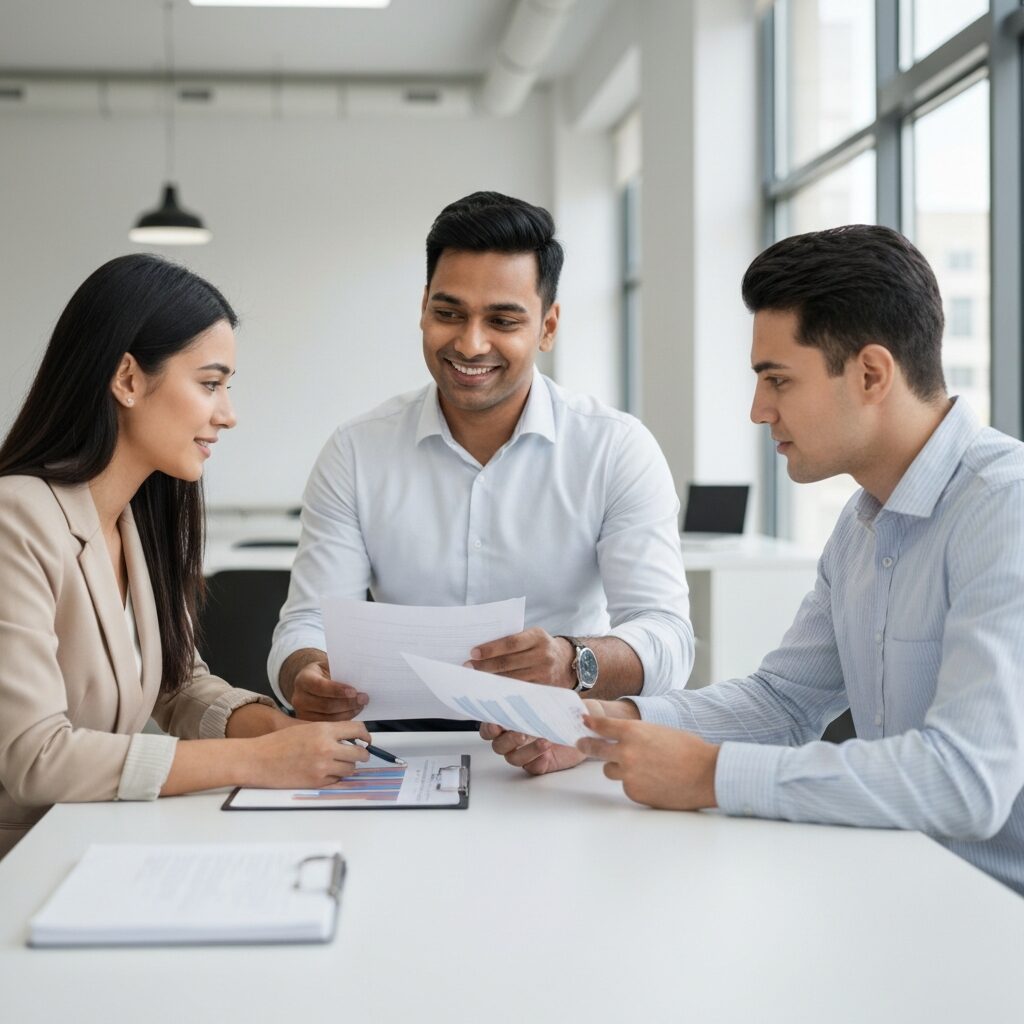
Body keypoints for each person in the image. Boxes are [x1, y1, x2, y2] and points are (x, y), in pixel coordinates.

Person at [486, 225, 1024, 896]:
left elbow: (966, 783)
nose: (758, 410)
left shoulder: (1005, 510)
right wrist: (606, 726)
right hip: (901, 881)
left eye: (778, 380)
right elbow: (784, 702)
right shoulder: (861, 525)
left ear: (871, 374)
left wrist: (710, 775)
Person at [269, 191, 693, 724]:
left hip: (557, 738)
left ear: (548, 327)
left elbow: (668, 637)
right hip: (394, 744)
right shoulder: (356, 450)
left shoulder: (615, 448)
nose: (470, 345)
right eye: (449, 313)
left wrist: (572, 661)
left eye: (503, 321)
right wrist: (304, 672)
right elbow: (308, 623)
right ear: (423, 308)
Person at [0, 254, 372, 858]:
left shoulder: (137, 522)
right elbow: (36, 757)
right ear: (127, 379)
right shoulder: (16, 517)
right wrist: (257, 759)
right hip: (22, 863)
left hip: (93, 844)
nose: (228, 414)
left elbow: (177, 685)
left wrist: (279, 732)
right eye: (209, 384)